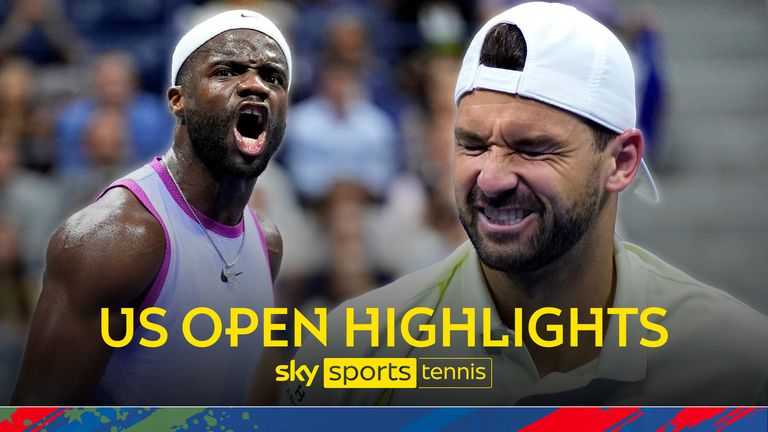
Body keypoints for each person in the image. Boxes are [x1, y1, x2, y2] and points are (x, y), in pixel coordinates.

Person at [284, 2, 768, 405]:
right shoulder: (351, 355)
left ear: (621, 161)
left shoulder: (735, 362)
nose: (491, 179)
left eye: (533, 148)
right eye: (472, 145)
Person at [12, 9, 291, 405]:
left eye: (272, 77)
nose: (255, 86)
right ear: (178, 101)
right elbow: (35, 417)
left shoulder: (267, 243)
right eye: (227, 71)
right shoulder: (115, 238)